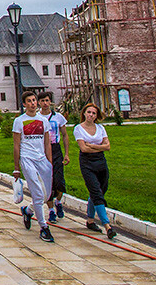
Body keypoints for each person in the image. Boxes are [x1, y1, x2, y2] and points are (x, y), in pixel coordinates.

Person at [12, 90, 54, 243]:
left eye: (34, 100)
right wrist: (16, 168)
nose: (32, 103)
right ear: (24, 104)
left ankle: (28, 211)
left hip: (42, 159)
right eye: (29, 101)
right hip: (27, 158)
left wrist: (49, 162)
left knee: (46, 195)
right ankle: (44, 227)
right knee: (37, 192)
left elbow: (47, 143)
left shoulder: (43, 121)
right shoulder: (19, 121)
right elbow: (16, 145)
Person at [74, 102, 116, 239]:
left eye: (94, 113)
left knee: (101, 189)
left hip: (101, 161)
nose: (91, 115)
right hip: (87, 162)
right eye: (89, 112)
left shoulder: (100, 128)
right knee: (96, 193)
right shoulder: (78, 129)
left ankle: (90, 220)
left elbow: (108, 146)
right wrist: (99, 146)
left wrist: (91, 145)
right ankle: (107, 226)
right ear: (84, 113)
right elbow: (83, 149)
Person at [38, 92, 69, 221]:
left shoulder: (58, 117)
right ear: (39, 103)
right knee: (47, 182)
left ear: (50, 101)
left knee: (59, 180)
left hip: (56, 149)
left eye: (47, 100)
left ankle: (58, 202)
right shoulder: (37, 117)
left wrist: (66, 153)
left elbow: (65, 135)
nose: (45, 103)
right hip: (43, 150)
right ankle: (51, 210)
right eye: (42, 101)